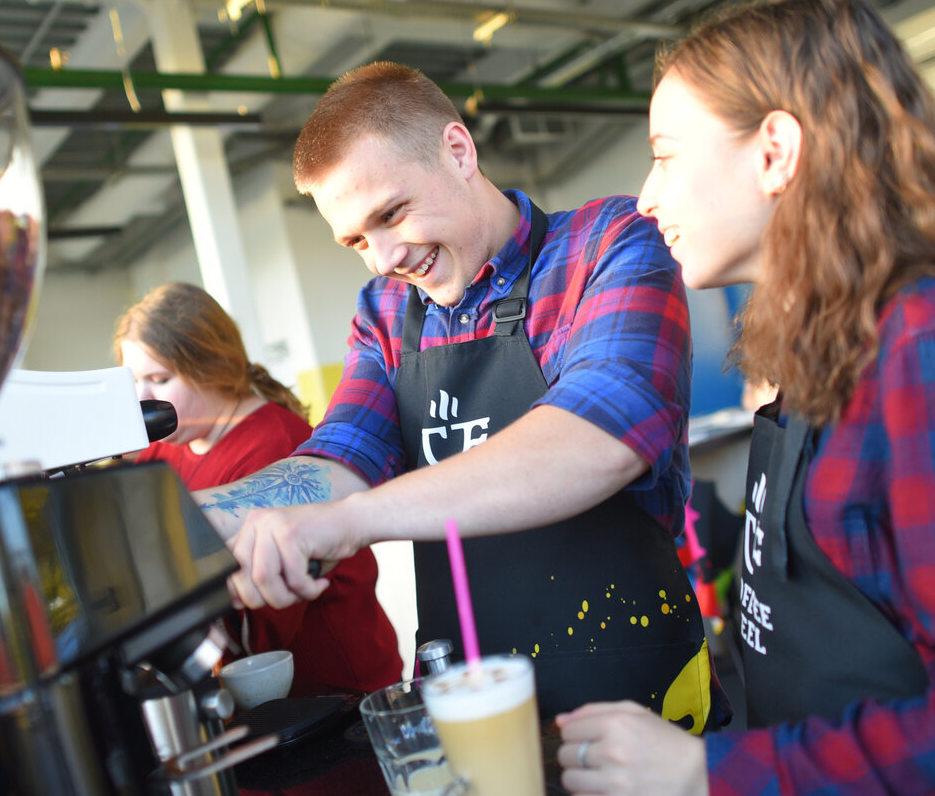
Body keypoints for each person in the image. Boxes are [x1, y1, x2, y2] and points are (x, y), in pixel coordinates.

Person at [554, 0, 935, 793]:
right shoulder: (817, 347)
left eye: (664, 155)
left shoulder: (931, 348)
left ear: (775, 151)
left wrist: (707, 773)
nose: (644, 196)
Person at [194, 61, 732, 726]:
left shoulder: (608, 245)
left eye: (391, 214)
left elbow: (602, 435)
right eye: (357, 239)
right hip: (473, 705)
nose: (382, 256)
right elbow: (339, 462)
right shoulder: (386, 314)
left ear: (457, 150)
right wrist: (185, 519)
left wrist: (351, 522)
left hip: (632, 694)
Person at [113, 281, 402, 693]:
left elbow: (263, 629)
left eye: (158, 380)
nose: (141, 399)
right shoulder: (161, 452)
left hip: (334, 692)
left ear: (210, 365)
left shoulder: (275, 446)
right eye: (134, 383)